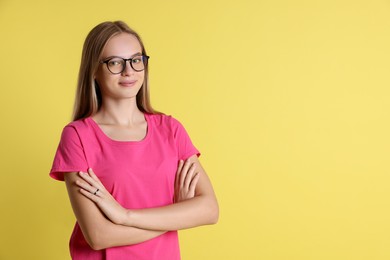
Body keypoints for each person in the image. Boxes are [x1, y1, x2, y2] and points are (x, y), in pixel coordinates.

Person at [49, 21, 219, 259]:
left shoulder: (171, 129)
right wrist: (176, 214)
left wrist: (124, 216)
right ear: (94, 71)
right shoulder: (78, 136)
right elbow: (98, 236)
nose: (129, 71)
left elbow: (209, 210)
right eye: (115, 62)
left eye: (136, 60)